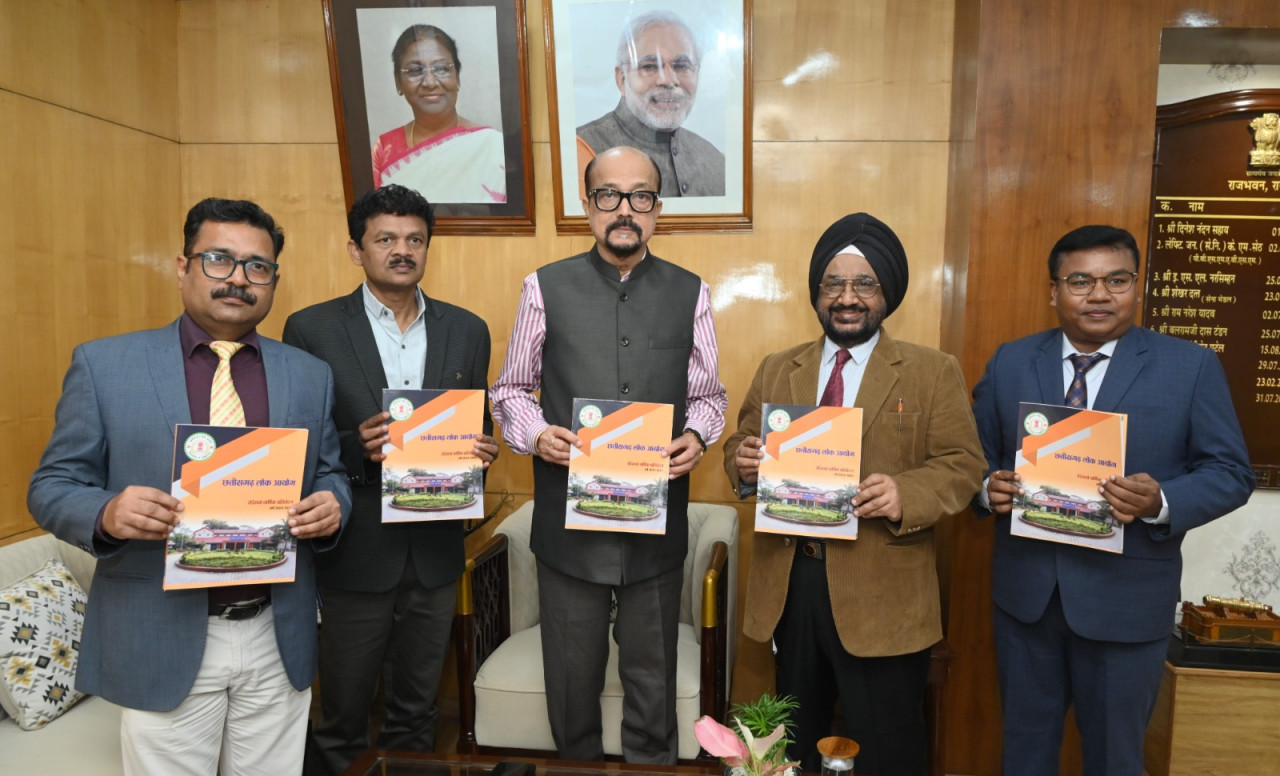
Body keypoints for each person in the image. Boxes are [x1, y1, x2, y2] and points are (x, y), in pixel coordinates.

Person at [27, 198, 352, 775]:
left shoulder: (308, 374)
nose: (239, 279)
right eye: (219, 259)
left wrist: (334, 503)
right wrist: (106, 512)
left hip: (277, 630)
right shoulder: (105, 366)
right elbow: (52, 485)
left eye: (258, 267)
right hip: (161, 632)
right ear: (183, 267)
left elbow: (328, 471)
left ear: (274, 281)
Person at [971, 225, 1255, 776]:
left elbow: (1230, 472)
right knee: (1024, 754)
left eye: (1116, 280)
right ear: (1054, 291)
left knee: (1115, 761)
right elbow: (971, 458)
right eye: (1080, 281)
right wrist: (987, 489)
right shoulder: (1011, 361)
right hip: (1027, 603)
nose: (1099, 295)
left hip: (1127, 604)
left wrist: (1161, 500)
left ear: (1137, 286)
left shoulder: (1190, 366)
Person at [723, 213, 985, 776]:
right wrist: (742, 462)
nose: (847, 298)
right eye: (833, 284)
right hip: (791, 588)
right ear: (817, 293)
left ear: (887, 292)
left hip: (883, 597)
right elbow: (740, 442)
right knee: (792, 748)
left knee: (887, 750)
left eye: (864, 283)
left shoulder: (932, 371)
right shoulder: (778, 368)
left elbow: (964, 465)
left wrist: (904, 493)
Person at [491, 145, 727, 763]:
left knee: (653, 693)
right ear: (588, 206)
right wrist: (537, 434)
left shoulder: (691, 292)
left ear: (657, 208)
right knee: (572, 695)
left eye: (640, 196)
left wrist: (697, 435)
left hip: (656, 532)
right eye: (609, 195)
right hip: (569, 534)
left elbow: (709, 396)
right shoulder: (543, 287)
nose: (625, 209)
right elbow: (510, 390)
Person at [282, 184, 497, 775]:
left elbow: (476, 424)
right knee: (343, 715)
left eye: (414, 240)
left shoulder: (467, 329)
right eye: (385, 239)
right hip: (355, 551)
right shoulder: (312, 329)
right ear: (357, 250)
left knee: (417, 712)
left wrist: (483, 449)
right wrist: (358, 446)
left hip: (434, 551)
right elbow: (294, 442)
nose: (402, 250)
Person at [576, 11, 725, 198]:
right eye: (650, 66)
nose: (668, 80)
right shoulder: (580, 150)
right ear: (621, 79)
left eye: (682, 66)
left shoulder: (716, 160)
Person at [372, 24, 506, 204]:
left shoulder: (493, 146)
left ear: (457, 77)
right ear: (398, 82)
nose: (430, 82)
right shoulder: (384, 149)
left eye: (442, 68)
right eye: (415, 70)